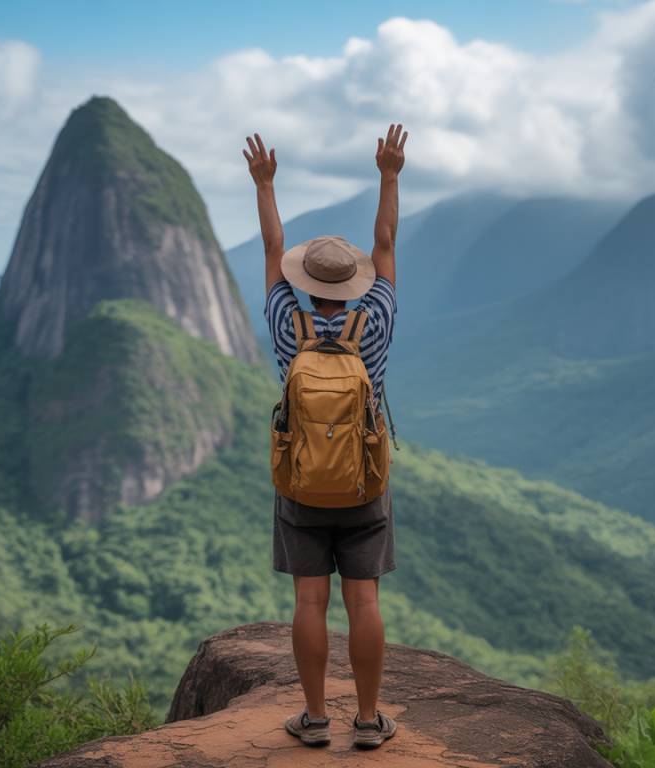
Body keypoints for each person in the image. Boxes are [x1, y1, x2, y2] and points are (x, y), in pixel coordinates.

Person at [242, 123, 407, 749]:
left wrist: (265, 184)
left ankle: (314, 720)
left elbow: (269, 246)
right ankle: (368, 723)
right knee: (363, 603)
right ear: (356, 284)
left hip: (303, 485)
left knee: (309, 602)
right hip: (365, 484)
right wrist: (389, 175)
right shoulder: (379, 321)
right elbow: (385, 242)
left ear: (306, 285)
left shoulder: (289, 326)